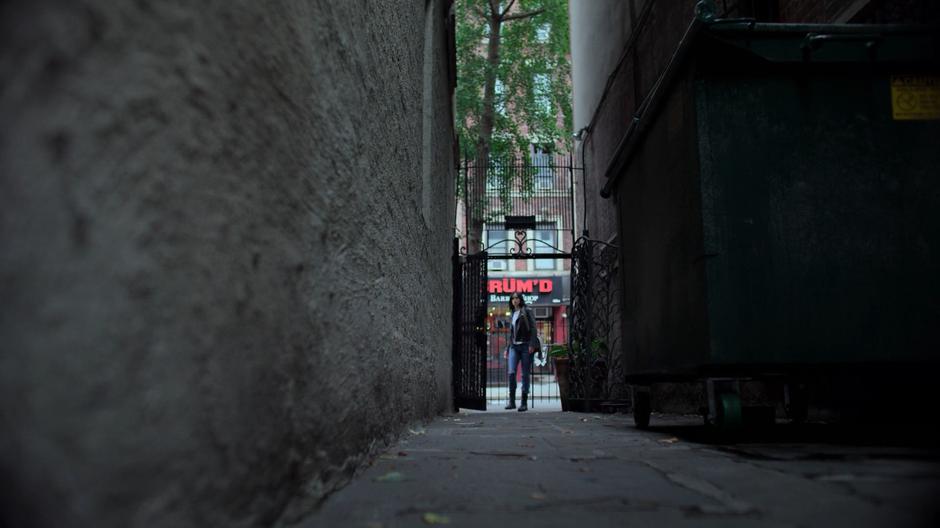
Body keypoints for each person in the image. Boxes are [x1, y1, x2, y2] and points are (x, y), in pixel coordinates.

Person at [504, 292, 539, 411]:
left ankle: (524, 402)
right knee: (511, 372)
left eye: (516, 298)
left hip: (525, 346)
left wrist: (532, 344)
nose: (514, 300)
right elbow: (512, 333)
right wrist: (507, 348)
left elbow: (534, 327)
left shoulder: (527, 310)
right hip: (514, 346)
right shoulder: (512, 313)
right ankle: (512, 401)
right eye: (512, 298)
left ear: (520, 300)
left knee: (525, 374)